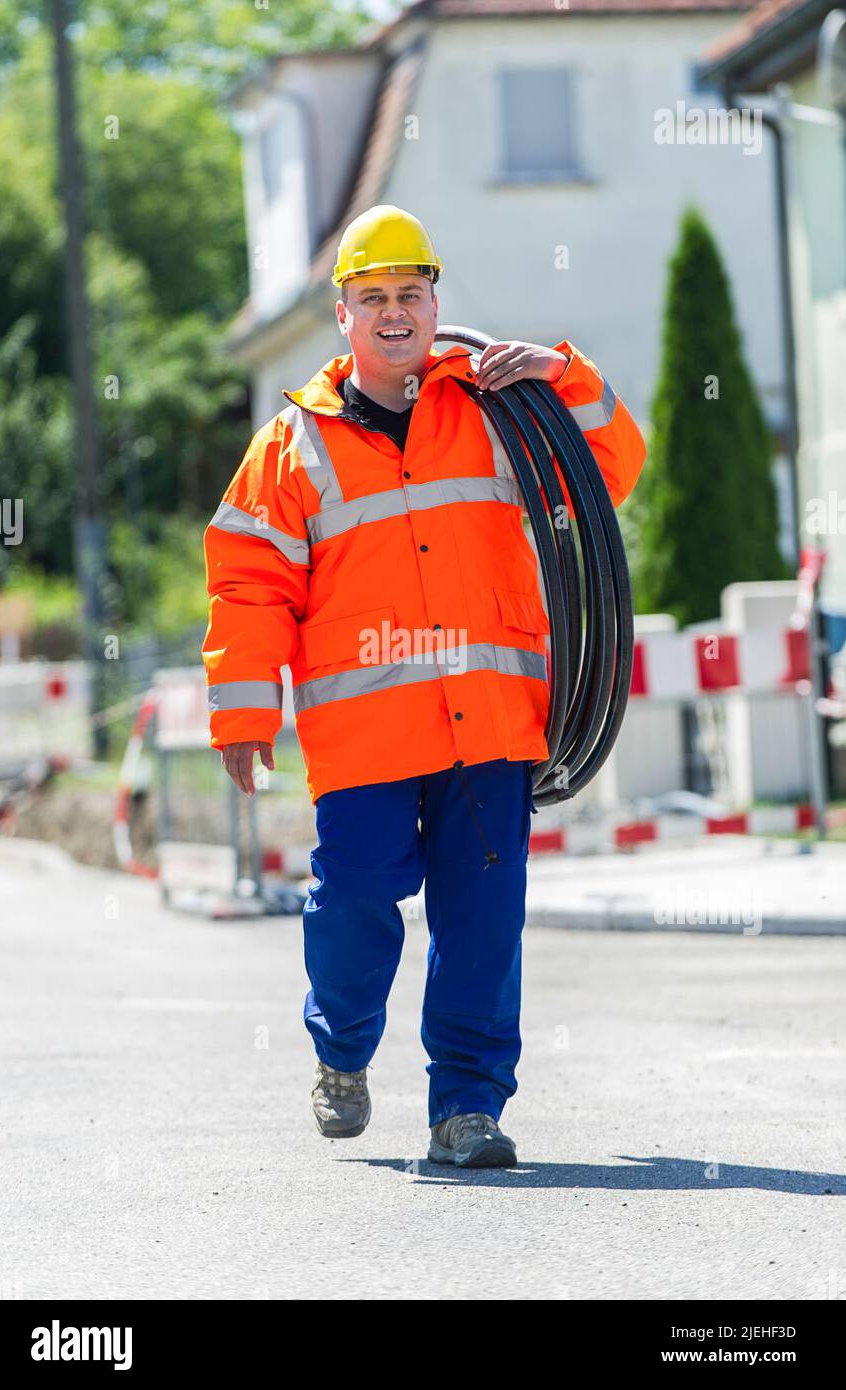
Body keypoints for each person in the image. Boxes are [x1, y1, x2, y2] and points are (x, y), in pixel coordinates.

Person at [202, 204, 646, 1167]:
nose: (394, 312)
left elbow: (611, 467)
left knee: (483, 921)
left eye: (410, 293)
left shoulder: (499, 411)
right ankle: (343, 1054)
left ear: (436, 301)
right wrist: (243, 710)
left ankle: (467, 1109)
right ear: (344, 315)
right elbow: (248, 582)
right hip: (364, 737)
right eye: (374, 298)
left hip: (489, 722)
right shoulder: (290, 450)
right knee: (355, 904)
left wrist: (561, 374)